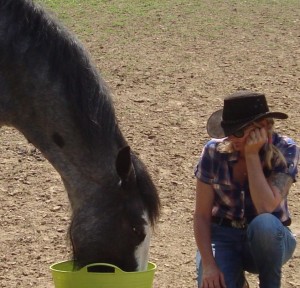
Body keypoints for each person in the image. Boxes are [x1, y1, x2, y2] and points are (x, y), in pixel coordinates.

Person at [193, 90, 299, 288]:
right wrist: (208, 265)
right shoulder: (213, 152)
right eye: (229, 132)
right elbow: (201, 215)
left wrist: (251, 156)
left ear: (264, 127)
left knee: (265, 224)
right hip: (223, 235)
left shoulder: (286, 149)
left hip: (267, 241)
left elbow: (266, 207)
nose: (233, 138)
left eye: (240, 132)